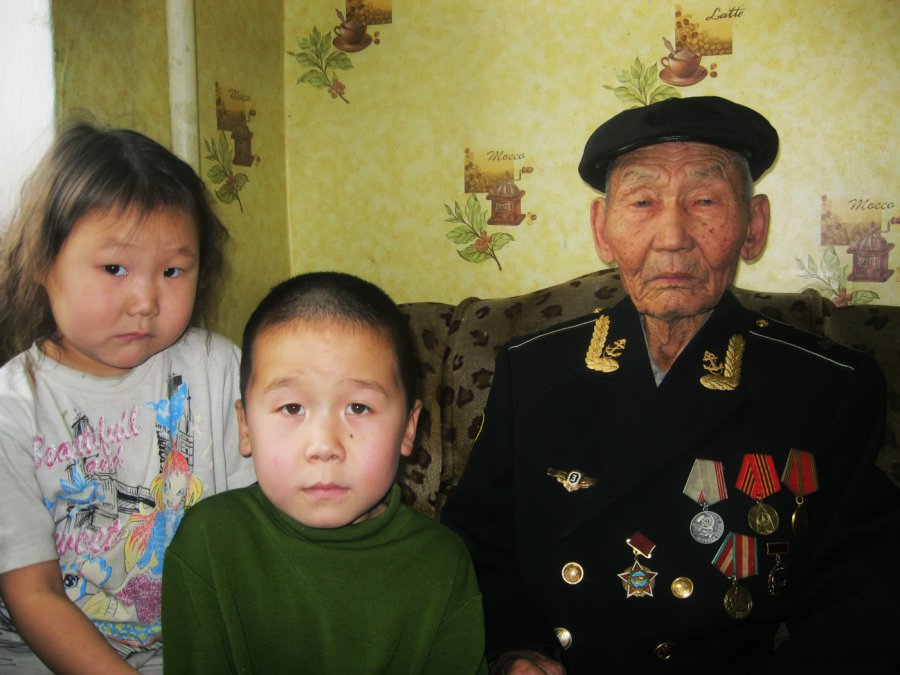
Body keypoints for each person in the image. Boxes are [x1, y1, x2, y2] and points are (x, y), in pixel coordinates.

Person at [441, 96, 900, 673]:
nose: (672, 236)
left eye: (705, 200)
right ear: (601, 229)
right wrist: (517, 648)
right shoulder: (532, 369)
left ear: (754, 226)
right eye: (642, 202)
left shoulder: (825, 388)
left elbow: (864, 588)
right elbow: (476, 541)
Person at [0, 122, 256, 674]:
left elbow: (263, 523)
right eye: (115, 268)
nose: (145, 300)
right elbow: (34, 593)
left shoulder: (218, 368)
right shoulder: (10, 411)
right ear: (43, 262)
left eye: (172, 271)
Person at [161, 272, 488, 674]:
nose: (324, 446)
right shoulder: (209, 541)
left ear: (408, 428)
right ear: (245, 427)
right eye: (292, 408)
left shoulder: (442, 564)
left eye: (358, 408)